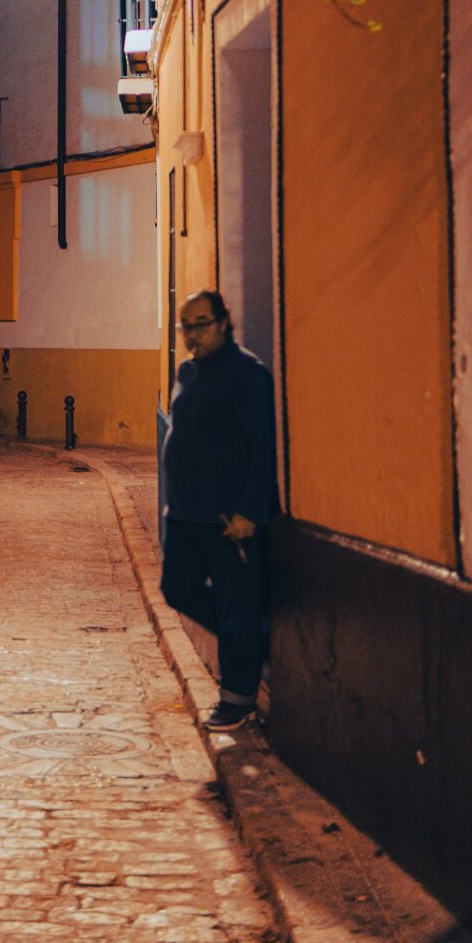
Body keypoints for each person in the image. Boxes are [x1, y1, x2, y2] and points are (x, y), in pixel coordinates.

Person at [160, 289, 276, 732]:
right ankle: (254, 636)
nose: (193, 335)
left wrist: (249, 511)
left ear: (224, 323)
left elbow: (262, 448)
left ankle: (237, 698)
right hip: (185, 515)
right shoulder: (188, 371)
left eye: (202, 324)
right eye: (186, 326)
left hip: (228, 520)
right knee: (176, 589)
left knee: (234, 608)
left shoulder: (248, 374)